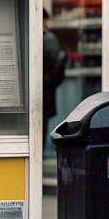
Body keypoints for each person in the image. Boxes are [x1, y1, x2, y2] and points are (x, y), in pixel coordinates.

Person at [43, 8, 67, 148]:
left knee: (40, 125)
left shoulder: (48, 39)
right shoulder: (48, 38)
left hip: (44, 90)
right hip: (46, 90)